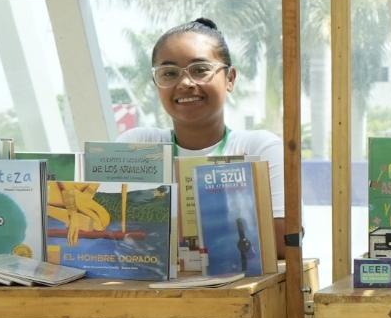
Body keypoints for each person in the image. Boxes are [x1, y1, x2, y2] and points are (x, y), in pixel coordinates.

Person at [121, 18, 285, 212]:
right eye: (169, 73)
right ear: (156, 82)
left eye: (200, 70)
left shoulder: (260, 150)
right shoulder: (137, 147)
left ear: (230, 78)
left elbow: (284, 241)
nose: (185, 83)